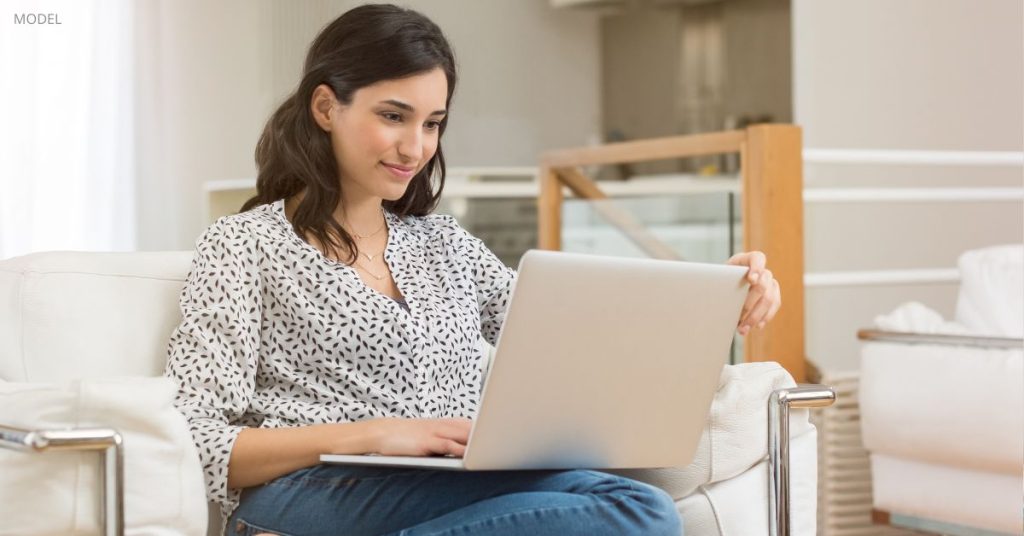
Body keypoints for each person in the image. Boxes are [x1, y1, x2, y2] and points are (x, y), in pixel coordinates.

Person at [165, 4, 782, 536]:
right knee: (637, 513)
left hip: (452, 482)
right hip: (310, 490)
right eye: (393, 115)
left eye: (432, 124)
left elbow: (584, 330)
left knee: (625, 502)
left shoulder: (445, 246)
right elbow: (200, 441)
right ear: (326, 107)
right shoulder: (242, 244)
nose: (416, 148)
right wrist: (373, 434)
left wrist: (721, 289)